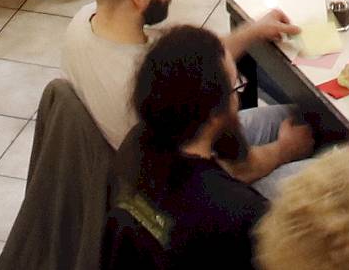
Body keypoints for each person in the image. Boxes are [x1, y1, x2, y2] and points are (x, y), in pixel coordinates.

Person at [63, 0, 310, 184]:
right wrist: (284, 150)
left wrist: (253, 31)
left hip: (171, 157)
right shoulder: (142, 84)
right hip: (190, 185)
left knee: (307, 116)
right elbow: (228, 172)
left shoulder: (84, 21)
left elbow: (197, 64)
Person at [102, 26, 273, 269]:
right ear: (214, 112)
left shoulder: (133, 146)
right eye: (236, 88)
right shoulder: (241, 212)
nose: (237, 99)